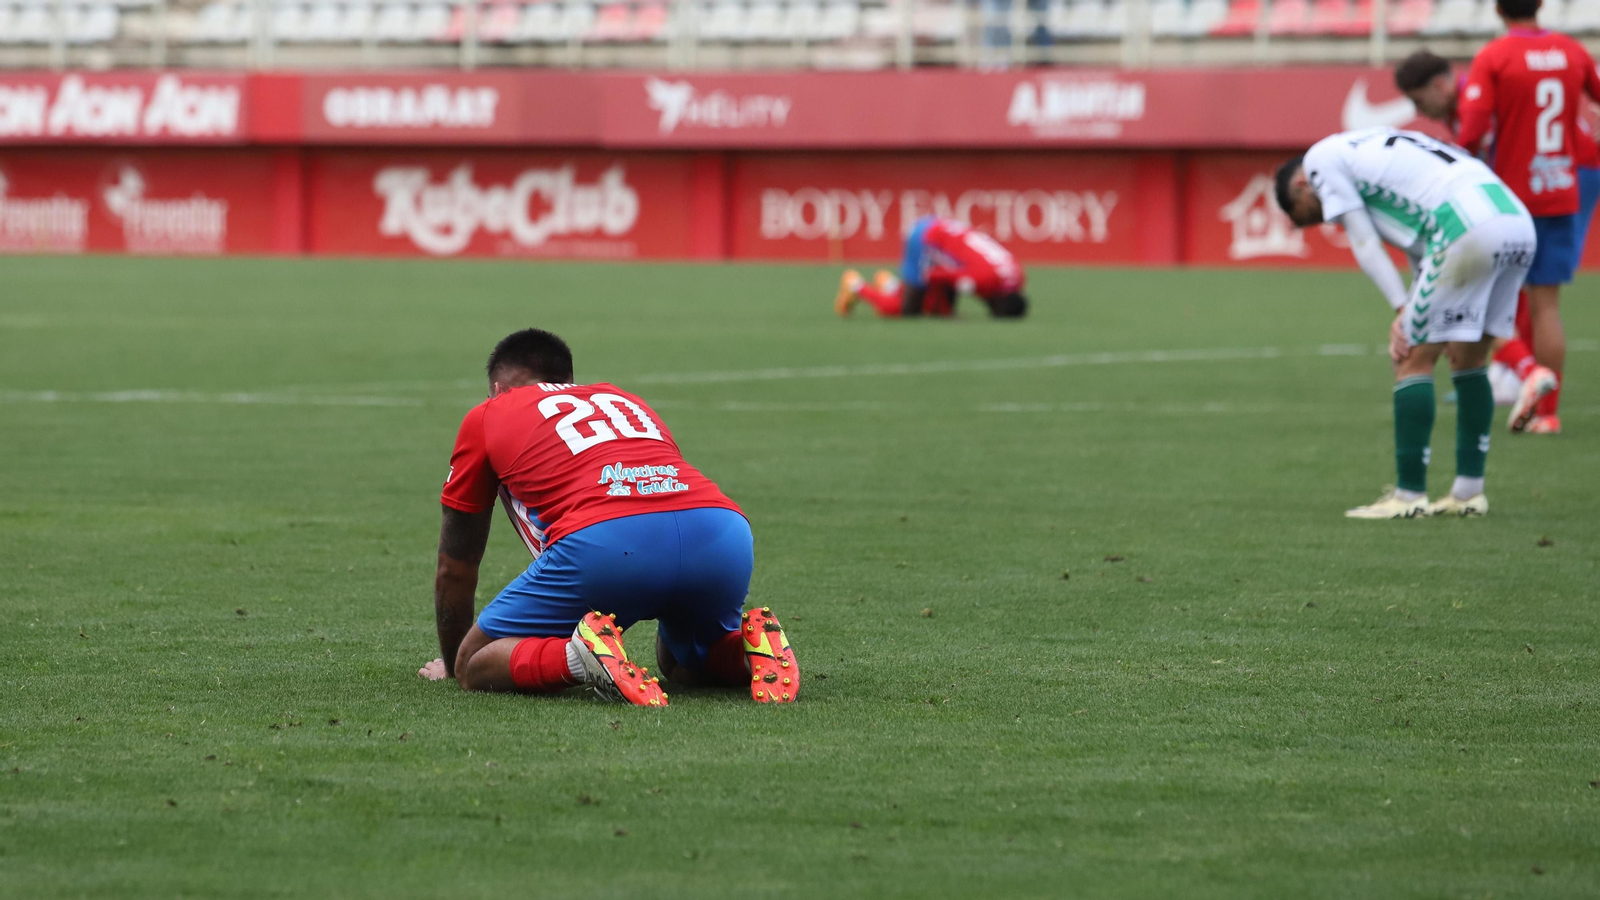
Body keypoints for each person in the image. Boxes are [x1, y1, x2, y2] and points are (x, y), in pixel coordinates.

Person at [416, 328, 800, 705]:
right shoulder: (621, 398)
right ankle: (746, 652)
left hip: (609, 545)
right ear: (569, 382)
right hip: (721, 531)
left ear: (496, 391)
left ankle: (578, 655)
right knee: (682, 662)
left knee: (474, 663)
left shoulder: (489, 413)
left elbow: (456, 566)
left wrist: (453, 665)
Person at [1275, 127, 1536, 518]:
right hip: (1515, 221)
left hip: (1464, 224)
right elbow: (1422, 248)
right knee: (1469, 357)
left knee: (1410, 355)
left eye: (1307, 216)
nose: (1321, 220)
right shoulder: (1376, 146)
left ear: (1301, 184)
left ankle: (1408, 496)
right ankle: (1468, 493)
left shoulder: (1318, 161)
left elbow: (1365, 243)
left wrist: (1402, 308)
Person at [1434, 4, 1600, 434]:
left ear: (1497, 8)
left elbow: (1471, 129)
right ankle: (1548, 414)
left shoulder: (1495, 56)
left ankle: (1515, 373)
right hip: (1561, 189)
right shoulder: (1572, 52)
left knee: (1487, 298)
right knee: (1547, 309)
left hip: (1511, 199)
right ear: (1541, 4)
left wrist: (1466, 168)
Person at [834, 215, 1029, 319]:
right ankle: (856, 285)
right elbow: (935, 276)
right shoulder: (983, 281)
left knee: (930, 304)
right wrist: (945, 313)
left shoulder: (1016, 275)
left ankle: (891, 285)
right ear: (1000, 302)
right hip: (925, 239)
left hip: (941, 229)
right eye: (994, 310)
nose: (989, 309)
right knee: (908, 311)